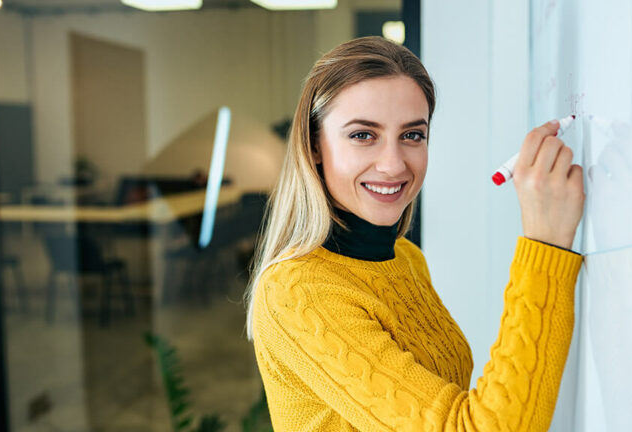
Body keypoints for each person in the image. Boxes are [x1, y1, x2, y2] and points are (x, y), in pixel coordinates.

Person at [244, 36, 585, 431]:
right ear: (314, 144)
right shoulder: (298, 292)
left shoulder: (405, 257)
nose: (393, 165)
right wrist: (544, 245)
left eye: (412, 135)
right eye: (362, 135)